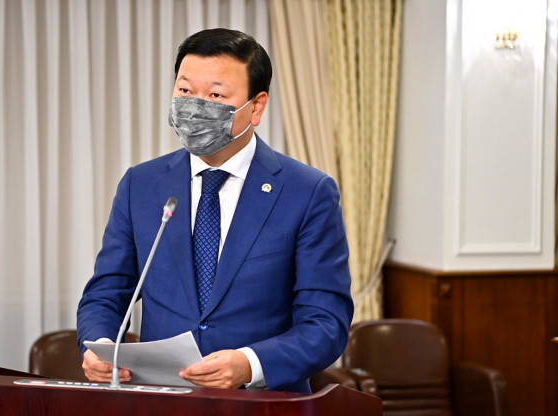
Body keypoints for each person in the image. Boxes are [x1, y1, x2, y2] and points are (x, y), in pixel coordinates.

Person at [76, 28, 353, 393]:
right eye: (185, 90)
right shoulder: (141, 185)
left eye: (216, 95)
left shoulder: (307, 192)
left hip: (264, 403)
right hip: (162, 399)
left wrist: (250, 364)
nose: (195, 106)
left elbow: (326, 323)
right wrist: (100, 346)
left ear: (256, 107)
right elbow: (107, 292)